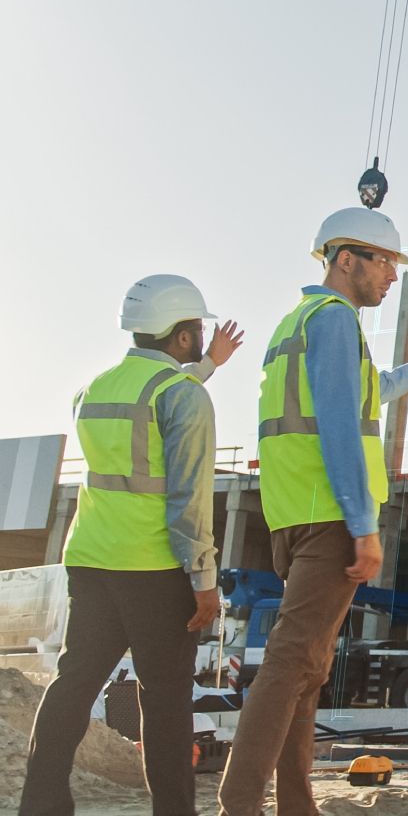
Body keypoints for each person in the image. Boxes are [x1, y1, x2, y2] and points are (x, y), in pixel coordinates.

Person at [218, 206, 408, 816]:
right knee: (293, 661)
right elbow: (342, 428)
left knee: (310, 666)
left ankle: (297, 805)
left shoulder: (298, 323)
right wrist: (363, 525)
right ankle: (238, 804)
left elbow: (359, 394)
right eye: (384, 263)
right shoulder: (335, 321)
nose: (392, 277)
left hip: (294, 515)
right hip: (329, 518)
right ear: (346, 260)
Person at [20, 274, 242, 816]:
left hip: (92, 562)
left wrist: (206, 366)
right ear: (182, 336)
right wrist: (205, 582)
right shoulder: (183, 397)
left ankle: (41, 804)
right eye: (197, 329)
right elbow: (190, 501)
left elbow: (150, 405)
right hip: (154, 568)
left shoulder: (91, 390)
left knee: (74, 683)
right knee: (164, 701)